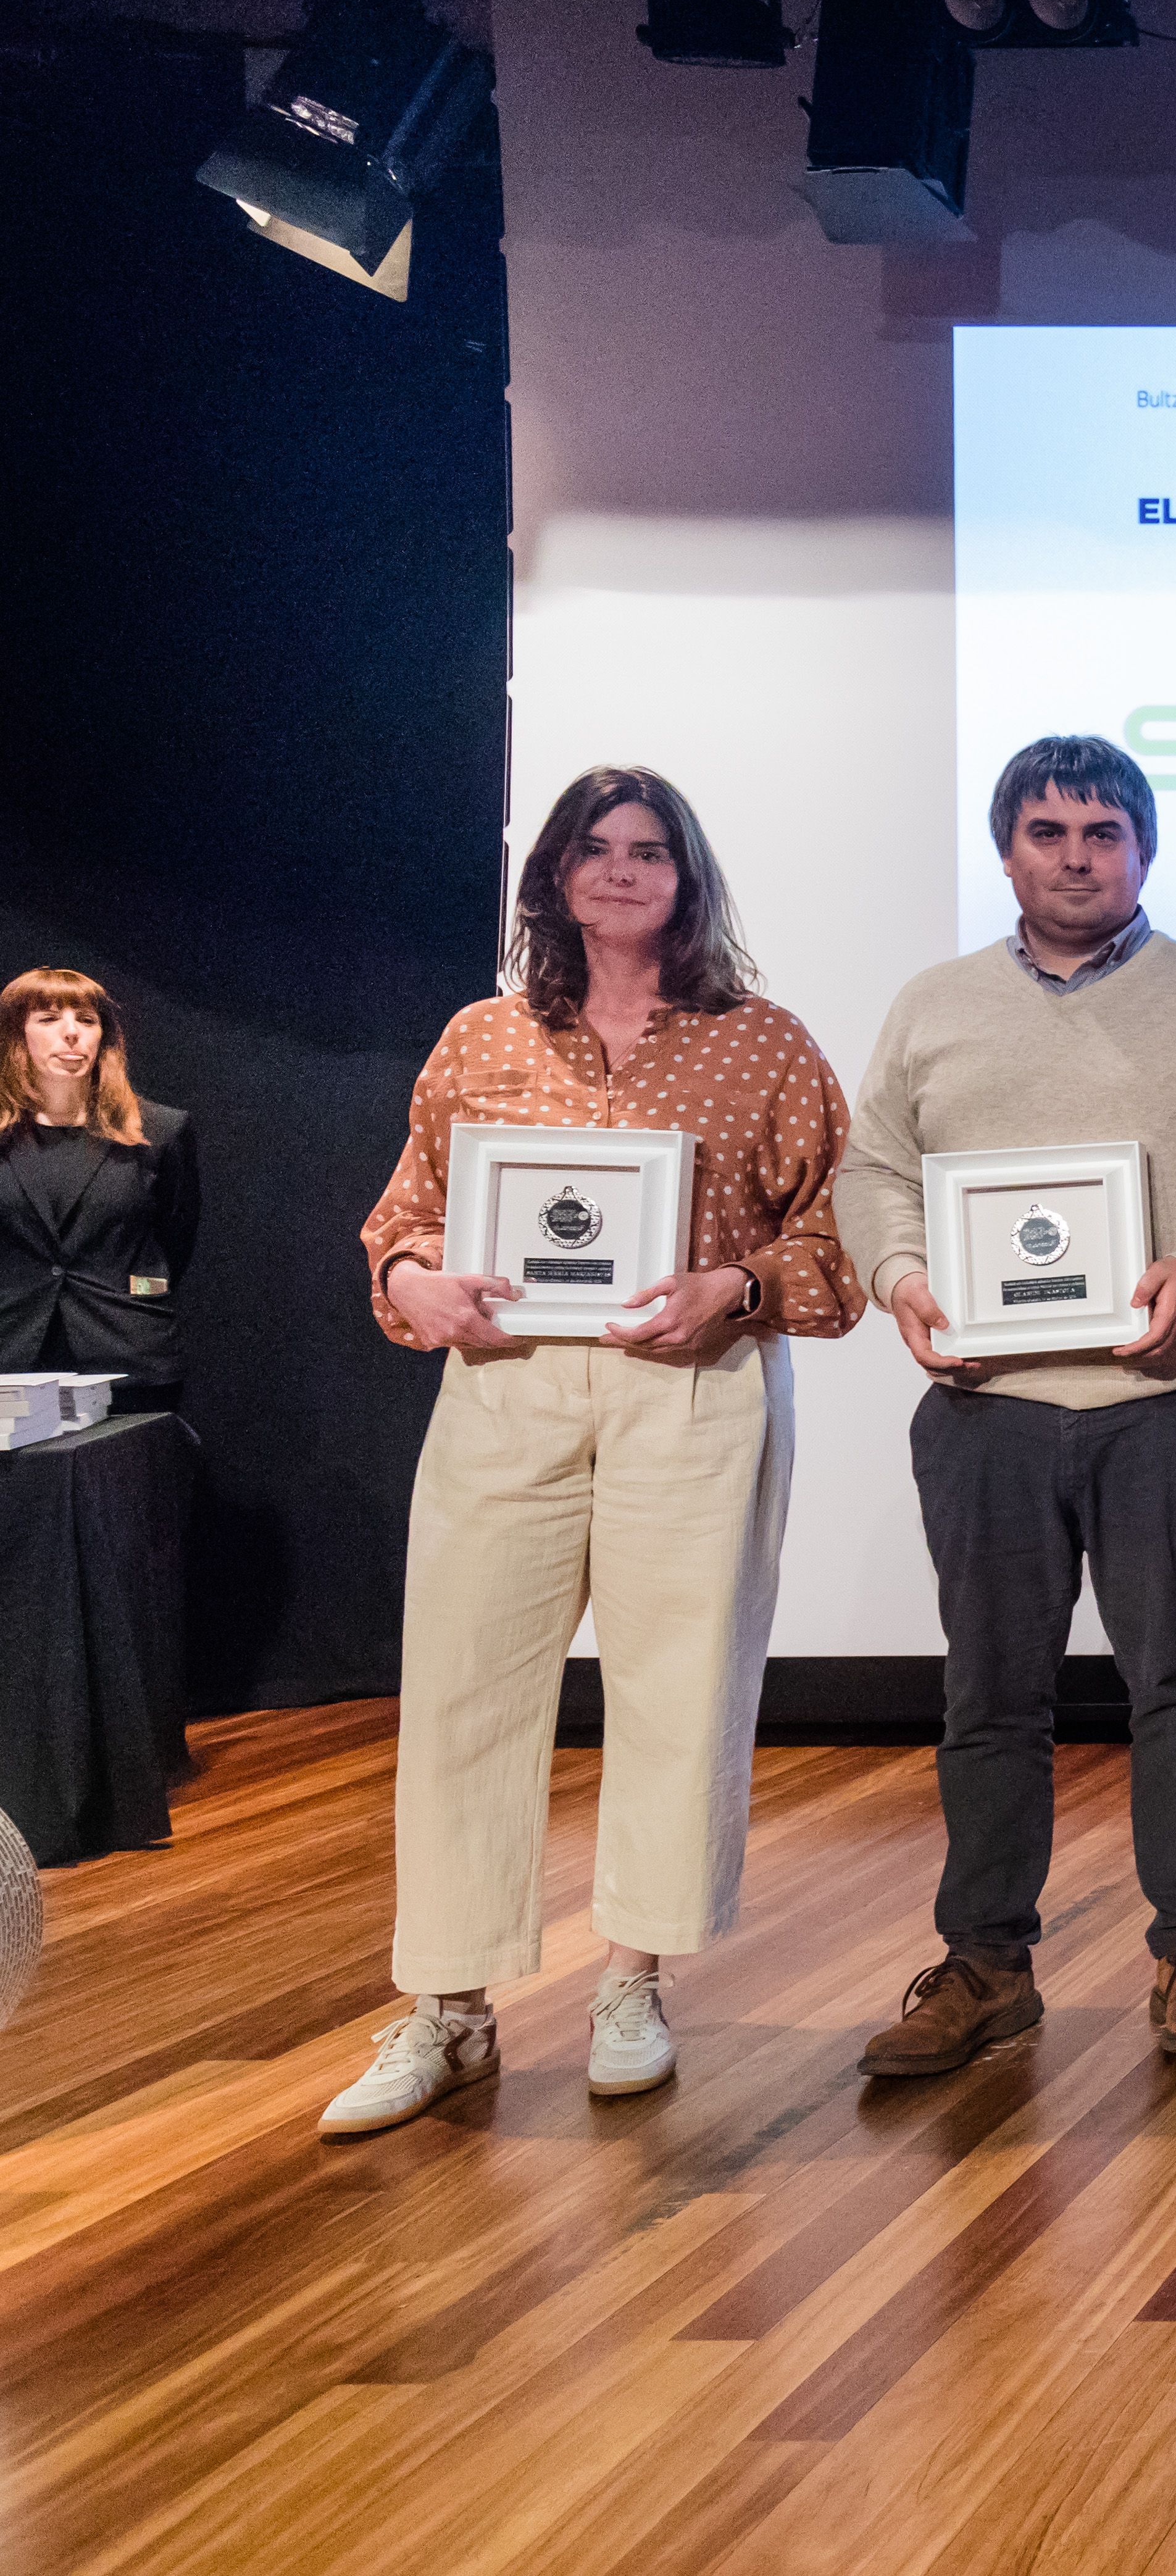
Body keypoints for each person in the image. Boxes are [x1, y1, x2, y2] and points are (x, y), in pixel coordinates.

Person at [325, 769, 858, 2135]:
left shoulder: (768, 1043)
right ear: (554, 873)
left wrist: (730, 1289)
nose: (621, 872)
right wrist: (411, 1283)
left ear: (689, 878)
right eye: (594, 849)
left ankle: (634, 1977)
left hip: (692, 1386)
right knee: (461, 1690)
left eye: (650, 851)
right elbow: (405, 1219)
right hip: (506, 1386)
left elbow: (834, 1248)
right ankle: (447, 2007)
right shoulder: (479, 1037)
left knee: (679, 1685)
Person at [833, 736, 1176, 2075]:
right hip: (986, 1409)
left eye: (1101, 832)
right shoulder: (934, 1004)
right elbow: (872, 1168)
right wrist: (900, 1275)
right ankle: (987, 1966)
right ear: (1006, 850)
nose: (1074, 855)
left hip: (1166, 1401)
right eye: (1047, 832)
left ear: (1143, 850)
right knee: (990, 1698)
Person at [0, 968, 198, 1419]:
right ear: (16, 1034)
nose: (71, 1033)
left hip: (129, 1358)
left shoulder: (160, 1131)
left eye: (87, 1020)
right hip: (12, 1360)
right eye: (49, 1018)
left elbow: (173, 1243)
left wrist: (134, 1294)